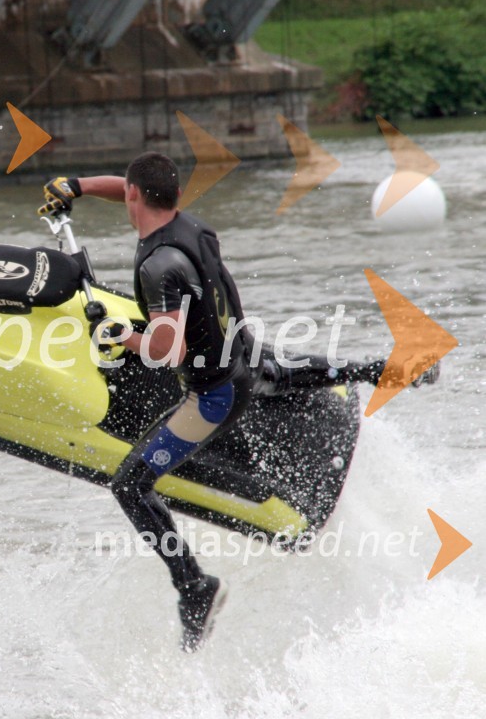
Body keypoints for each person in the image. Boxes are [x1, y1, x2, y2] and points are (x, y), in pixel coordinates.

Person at [40, 152, 438, 652]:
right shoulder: (192, 227)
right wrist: (75, 184)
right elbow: (130, 186)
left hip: (214, 394)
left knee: (130, 486)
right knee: (298, 371)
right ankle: (401, 367)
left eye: (127, 190)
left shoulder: (158, 267)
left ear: (135, 198)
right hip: (244, 353)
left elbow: (170, 350)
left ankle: (194, 587)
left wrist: (121, 335)